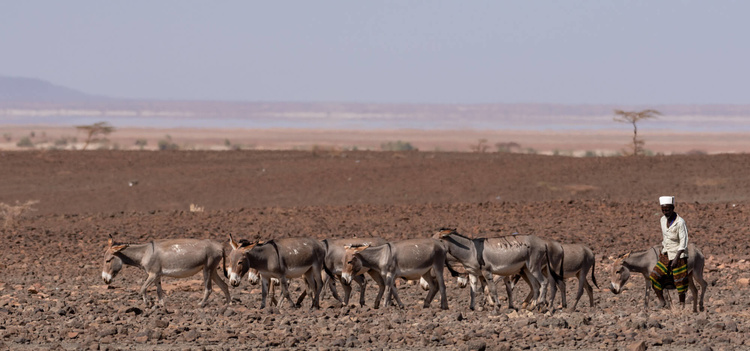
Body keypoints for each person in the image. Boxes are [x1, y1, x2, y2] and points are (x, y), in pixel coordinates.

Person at [649, 196, 689, 308]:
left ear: (673, 208)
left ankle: (682, 305)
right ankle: (662, 301)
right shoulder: (662, 220)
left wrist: (676, 258)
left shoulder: (680, 222)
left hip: (679, 255)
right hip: (666, 253)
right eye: (663, 210)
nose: (665, 212)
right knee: (654, 276)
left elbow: (684, 241)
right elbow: (665, 237)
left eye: (667, 210)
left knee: (679, 280)